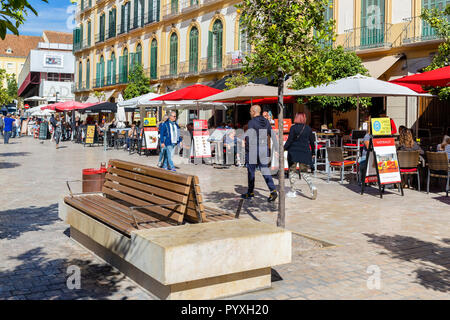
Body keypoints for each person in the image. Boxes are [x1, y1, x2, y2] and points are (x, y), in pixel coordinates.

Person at [242, 105, 278, 202]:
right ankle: (273, 190)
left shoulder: (251, 122)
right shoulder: (266, 121)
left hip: (253, 149)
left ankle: (250, 192)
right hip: (263, 148)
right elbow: (272, 134)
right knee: (265, 170)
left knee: (251, 171)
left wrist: (247, 149)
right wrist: (277, 149)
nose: (250, 113)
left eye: (250, 111)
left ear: (253, 111)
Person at [284, 112, 317, 200]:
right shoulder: (308, 128)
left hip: (293, 152)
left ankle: (293, 191)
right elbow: (312, 142)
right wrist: (313, 153)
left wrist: (283, 148)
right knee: (304, 172)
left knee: (292, 171)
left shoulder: (293, 128)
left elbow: (290, 140)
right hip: (305, 152)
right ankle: (312, 187)